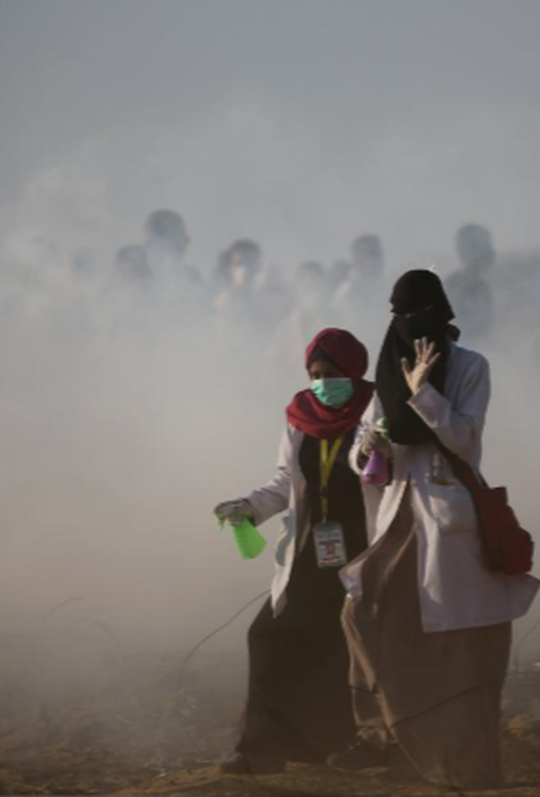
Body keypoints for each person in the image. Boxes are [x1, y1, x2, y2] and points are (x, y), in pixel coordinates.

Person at [330, 270, 540, 789]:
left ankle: (459, 768)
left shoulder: (470, 366)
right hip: (398, 512)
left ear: (442, 316)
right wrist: (369, 448)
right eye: (402, 315)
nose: (411, 325)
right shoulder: (388, 368)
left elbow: (465, 440)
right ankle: (384, 736)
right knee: (361, 614)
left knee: (457, 655)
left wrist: (424, 392)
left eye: (421, 314)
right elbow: (367, 443)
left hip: (448, 518)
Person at [212, 328, 381, 775]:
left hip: (364, 549)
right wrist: (248, 507)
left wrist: (374, 452)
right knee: (269, 634)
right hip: (313, 548)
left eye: (331, 373)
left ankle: (346, 744)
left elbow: (387, 475)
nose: (322, 382)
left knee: (342, 645)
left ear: (355, 371)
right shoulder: (300, 417)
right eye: (314, 374)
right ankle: (261, 749)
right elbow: (286, 481)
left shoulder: (377, 412)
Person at [443, 224, 496, 346]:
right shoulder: (454, 287)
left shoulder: (481, 287)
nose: (491, 253)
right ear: (466, 251)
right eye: (486, 247)